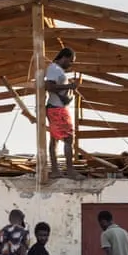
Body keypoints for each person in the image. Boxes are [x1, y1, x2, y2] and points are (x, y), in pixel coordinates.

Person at [45, 48, 81, 178]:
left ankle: (55, 170)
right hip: (57, 108)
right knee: (68, 138)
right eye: (70, 61)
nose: (70, 64)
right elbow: (49, 86)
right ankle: (70, 171)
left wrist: (68, 88)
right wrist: (69, 87)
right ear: (64, 57)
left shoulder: (57, 70)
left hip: (56, 107)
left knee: (55, 139)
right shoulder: (54, 69)